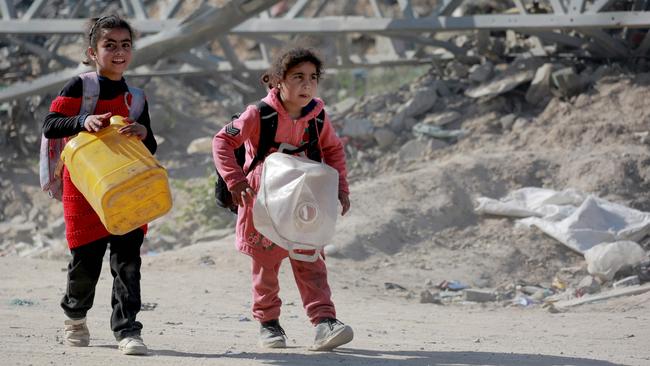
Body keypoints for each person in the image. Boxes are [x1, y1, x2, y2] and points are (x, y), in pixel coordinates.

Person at [212, 46, 353, 351]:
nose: (307, 84)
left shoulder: (317, 117)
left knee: (311, 262)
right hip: (263, 204)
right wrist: (235, 180)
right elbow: (222, 140)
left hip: (304, 203)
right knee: (266, 266)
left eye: (313, 78)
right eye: (298, 77)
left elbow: (333, 150)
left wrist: (341, 187)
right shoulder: (258, 114)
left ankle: (325, 322)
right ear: (278, 80)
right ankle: (269, 324)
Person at [42, 14, 156, 356]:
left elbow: (149, 147)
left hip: (127, 190)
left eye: (125, 45)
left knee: (128, 264)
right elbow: (51, 124)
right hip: (85, 192)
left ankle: (127, 330)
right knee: (85, 264)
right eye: (110, 45)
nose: (118, 51)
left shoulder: (135, 97)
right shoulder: (80, 87)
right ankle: (75, 317)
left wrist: (143, 132)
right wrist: (83, 120)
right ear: (93, 52)